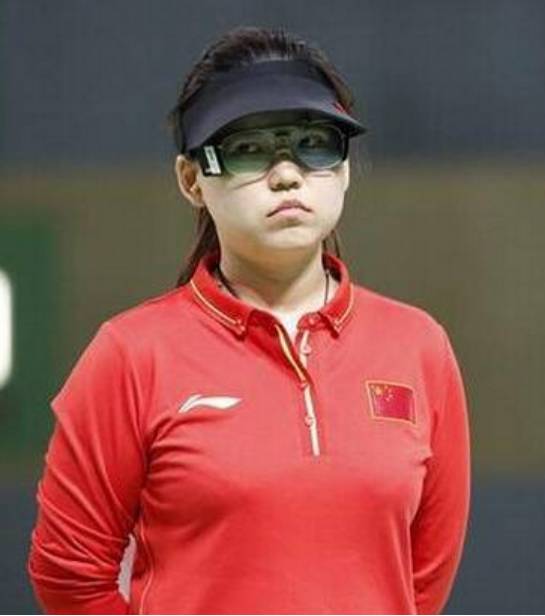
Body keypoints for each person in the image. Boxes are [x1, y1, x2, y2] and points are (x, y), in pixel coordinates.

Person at [27, 26, 471, 615]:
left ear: (343, 169)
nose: (287, 173)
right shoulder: (131, 354)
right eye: (248, 148)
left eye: (314, 142)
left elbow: (420, 583)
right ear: (192, 180)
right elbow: (70, 577)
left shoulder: (418, 346)